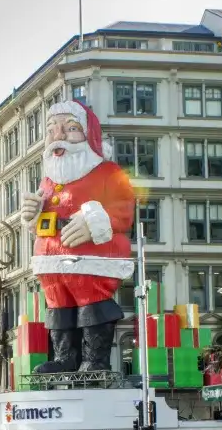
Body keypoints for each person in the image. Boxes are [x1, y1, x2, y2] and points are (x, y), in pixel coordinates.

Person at [20, 100, 136, 374]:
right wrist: (32, 216)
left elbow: (123, 209)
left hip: (91, 258)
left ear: (88, 135)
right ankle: (65, 359)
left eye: (70, 128)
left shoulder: (108, 172)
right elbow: (43, 218)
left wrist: (94, 220)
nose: (58, 136)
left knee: (92, 305)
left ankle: (95, 361)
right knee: (58, 307)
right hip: (52, 261)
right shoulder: (49, 180)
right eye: (52, 129)